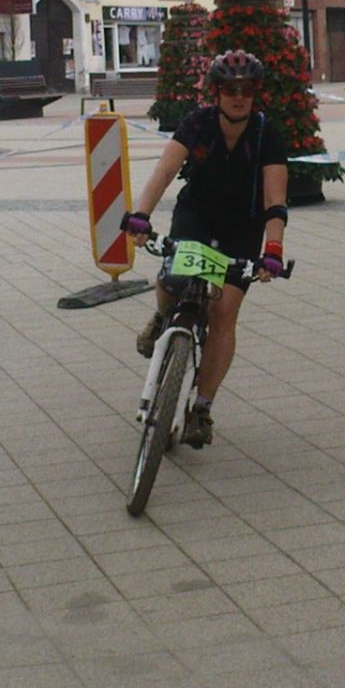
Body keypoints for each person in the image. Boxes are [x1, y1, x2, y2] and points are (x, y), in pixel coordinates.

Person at [121, 50, 288, 448]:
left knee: (223, 313)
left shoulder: (266, 134)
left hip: (242, 229)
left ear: (255, 93)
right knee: (174, 278)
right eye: (230, 89)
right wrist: (141, 215)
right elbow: (165, 170)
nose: (238, 97)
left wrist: (273, 250)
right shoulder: (198, 124)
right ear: (217, 92)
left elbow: (274, 199)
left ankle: (202, 409)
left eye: (246, 90)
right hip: (196, 216)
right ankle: (162, 318)